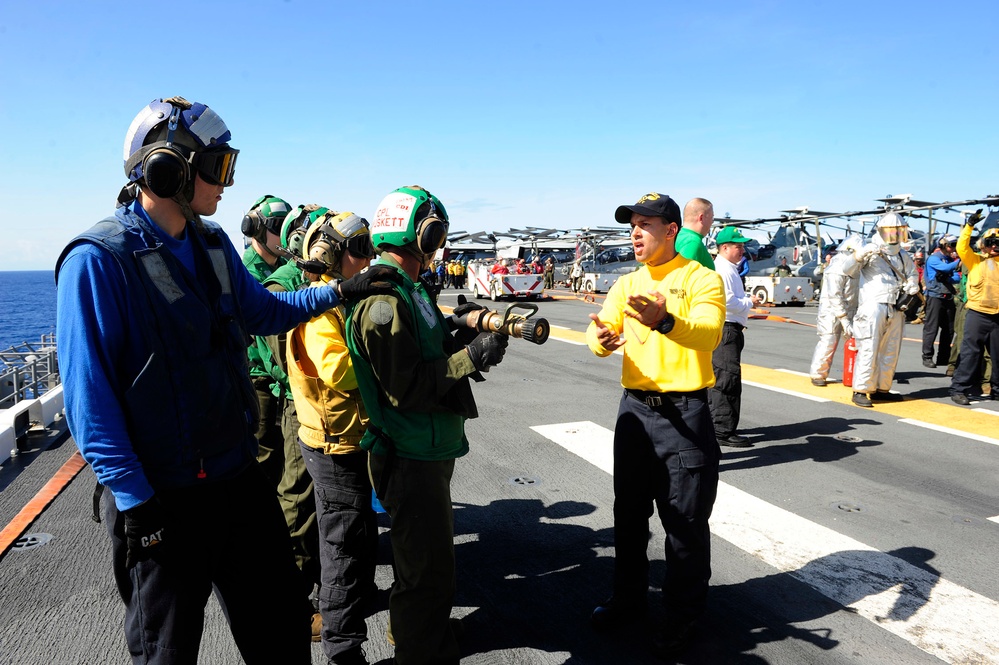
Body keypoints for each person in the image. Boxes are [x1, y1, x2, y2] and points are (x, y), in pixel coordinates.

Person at [54, 96, 397, 665]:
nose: (225, 184)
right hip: (160, 497)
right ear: (168, 168)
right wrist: (136, 501)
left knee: (282, 625)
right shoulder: (98, 261)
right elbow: (90, 404)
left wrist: (339, 291)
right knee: (167, 650)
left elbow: (262, 311)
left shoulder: (211, 244)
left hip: (235, 477)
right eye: (217, 168)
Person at [345, 186, 509, 665]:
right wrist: (469, 359)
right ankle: (420, 651)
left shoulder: (409, 289)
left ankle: (423, 633)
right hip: (410, 451)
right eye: (437, 233)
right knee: (424, 570)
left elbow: (426, 351)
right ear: (426, 233)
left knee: (430, 563)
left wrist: (463, 336)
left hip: (427, 447)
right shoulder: (385, 302)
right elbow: (406, 387)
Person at [586, 191, 724, 658]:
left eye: (646, 224)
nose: (636, 233)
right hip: (633, 413)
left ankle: (682, 617)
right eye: (632, 225)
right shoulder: (625, 285)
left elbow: (710, 333)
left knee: (683, 524)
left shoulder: (701, 278)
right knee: (628, 516)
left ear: (672, 231)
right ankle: (628, 600)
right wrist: (602, 340)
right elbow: (597, 331)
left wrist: (665, 320)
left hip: (683, 414)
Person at [288, 210, 379, 665]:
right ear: (331, 255)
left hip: (345, 438)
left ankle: (343, 622)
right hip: (334, 444)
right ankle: (344, 651)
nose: (366, 261)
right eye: (359, 251)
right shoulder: (320, 308)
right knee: (342, 549)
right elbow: (339, 370)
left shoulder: (331, 301)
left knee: (353, 538)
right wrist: (385, 366)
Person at [241, 195, 294, 486]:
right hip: (259, 376)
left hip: (282, 376)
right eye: (277, 226)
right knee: (264, 454)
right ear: (257, 229)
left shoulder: (284, 265)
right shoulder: (244, 272)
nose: (283, 234)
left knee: (286, 457)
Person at [842, 212, 920, 407]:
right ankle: (860, 389)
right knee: (868, 348)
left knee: (891, 350)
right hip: (873, 306)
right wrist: (858, 256)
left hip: (896, 306)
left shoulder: (902, 255)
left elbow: (911, 273)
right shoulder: (871, 250)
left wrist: (912, 284)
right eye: (891, 232)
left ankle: (881, 389)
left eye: (898, 232)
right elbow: (848, 269)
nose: (894, 237)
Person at [709, 226, 764, 447]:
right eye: (738, 246)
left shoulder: (729, 268)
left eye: (742, 246)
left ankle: (719, 427)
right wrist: (750, 302)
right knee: (726, 379)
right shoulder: (723, 269)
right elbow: (727, 300)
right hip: (726, 328)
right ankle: (722, 431)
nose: (742, 250)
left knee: (725, 378)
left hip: (730, 329)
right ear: (724, 247)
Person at [949, 212, 999, 405]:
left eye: (998, 243)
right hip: (977, 314)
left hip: (997, 316)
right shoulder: (975, 260)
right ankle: (959, 389)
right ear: (984, 244)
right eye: (991, 242)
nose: (995, 246)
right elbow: (962, 246)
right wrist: (969, 226)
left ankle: (996, 389)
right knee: (970, 353)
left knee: (997, 356)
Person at [808, 237, 862, 386]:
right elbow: (835, 296)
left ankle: (855, 375)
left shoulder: (857, 266)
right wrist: (844, 319)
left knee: (855, 344)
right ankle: (818, 375)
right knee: (828, 341)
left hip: (850, 310)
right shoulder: (837, 267)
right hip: (831, 311)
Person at [921, 234, 961, 368]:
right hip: (935, 296)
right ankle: (927, 356)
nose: (954, 247)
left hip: (947, 296)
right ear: (944, 245)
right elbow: (946, 269)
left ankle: (943, 357)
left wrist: (947, 278)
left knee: (949, 329)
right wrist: (959, 262)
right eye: (952, 245)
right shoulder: (934, 258)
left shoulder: (949, 259)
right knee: (931, 328)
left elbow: (956, 278)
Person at [676, 198, 715, 270]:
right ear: (701, 218)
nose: (712, 222)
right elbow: (684, 274)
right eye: (711, 218)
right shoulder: (693, 242)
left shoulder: (679, 237)